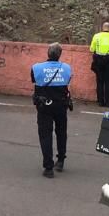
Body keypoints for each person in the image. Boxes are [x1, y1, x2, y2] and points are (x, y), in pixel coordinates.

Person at [31, 43, 72, 178]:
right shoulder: (67, 68)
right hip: (61, 105)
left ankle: (48, 168)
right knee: (61, 133)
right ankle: (60, 161)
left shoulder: (36, 67)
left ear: (48, 53)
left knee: (45, 135)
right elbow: (68, 81)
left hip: (44, 106)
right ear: (60, 54)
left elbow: (34, 80)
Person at [89, 21, 109, 107]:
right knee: (108, 82)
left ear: (102, 28)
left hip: (99, 61)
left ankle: (100, 101)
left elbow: (92, 49)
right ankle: (108, 102)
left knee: (99, 81)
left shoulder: (96, 36)